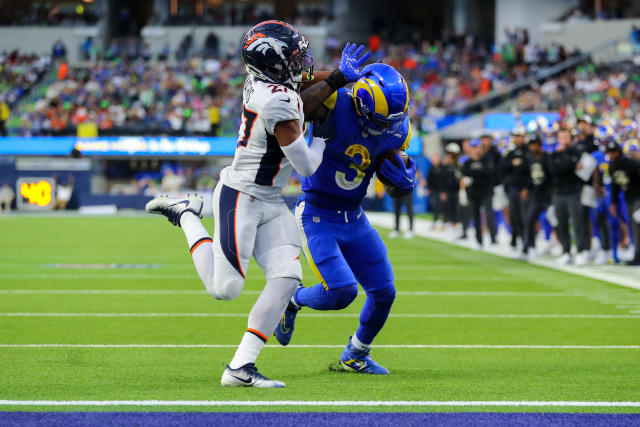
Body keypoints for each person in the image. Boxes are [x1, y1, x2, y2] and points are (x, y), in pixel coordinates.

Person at [146, 21, 365, 387]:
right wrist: (324, 135)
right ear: (273, 64)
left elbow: (308, 85)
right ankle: (185, 213)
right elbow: (307, 164)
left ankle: (240, 368)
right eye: (293, 56)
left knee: (287, 278)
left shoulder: (269, 83)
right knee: (225, 288)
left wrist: (345, 76)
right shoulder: (276, 100)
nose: (302, 61)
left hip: (270, 199)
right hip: (242, 195)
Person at [275, 63, 415, 375]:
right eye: (377, 120)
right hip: (317, 213)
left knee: (384, 292)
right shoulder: (335, 103)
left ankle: (356, 354)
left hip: (355, 215)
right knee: (342, 292)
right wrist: (333, 75)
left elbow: (392, 188)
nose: (383, 128)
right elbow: (293, 102)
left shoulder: (397, 128)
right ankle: (292, 301)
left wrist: (402, 182)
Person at [547, 127, 589, 265]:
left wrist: (565, 166)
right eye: (562, 136)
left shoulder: (576, 152)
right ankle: (566, 251)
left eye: (566, 136)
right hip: (558, 193)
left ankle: (581, 251)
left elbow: (583, 171)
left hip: (573, 192)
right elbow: (553, 170)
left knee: (578, 223)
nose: (564, 139)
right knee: (562, 224)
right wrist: (571, 166)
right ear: (558, 138)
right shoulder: (553, 154)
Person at [607, 140, 640, 265]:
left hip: (638, 199)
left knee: (637, 226)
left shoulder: (633, 164)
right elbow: (615, 187)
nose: (612, 155)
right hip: (629, 199)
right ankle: (637, 254)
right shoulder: (612, 167)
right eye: (610, 153)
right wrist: (613, 203)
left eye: (614, 152)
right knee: (633, 226)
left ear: (619, 152)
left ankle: (638, 256)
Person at [462, 138, 497, 249]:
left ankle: (493, 239)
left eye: (479, 147)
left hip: (486, 191)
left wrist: (475, 175)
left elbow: (489, 174)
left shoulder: (487, 160)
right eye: (474, 147)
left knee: (489, 215)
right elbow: (465, 176)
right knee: (476, 217)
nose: (477, 150)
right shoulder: (467, 163)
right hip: (473, 193)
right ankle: (479, 241)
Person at [501, 125, 530, 251]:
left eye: (520, 136)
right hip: (513, 188)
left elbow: (529, 168)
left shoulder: (528, 151)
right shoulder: (511, 153)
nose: (518, 139)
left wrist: (519, 165)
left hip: (525, 189)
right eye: (516, 136)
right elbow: (503, 167)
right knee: (514, 216)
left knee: (525, 217)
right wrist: (512, 163)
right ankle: (515, 239)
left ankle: (526, 242)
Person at [522, 135, 550, 258]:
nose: (533, 147)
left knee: (555, 220)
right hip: (535, 194)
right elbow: (528, 176)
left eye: (535, 144)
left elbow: (552, 174)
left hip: (549, 193)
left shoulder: (547, 157)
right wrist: (526, 188)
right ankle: (529, 247)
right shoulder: (529, 158)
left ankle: (557, 243)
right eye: (531, 144)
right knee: (529, 220)